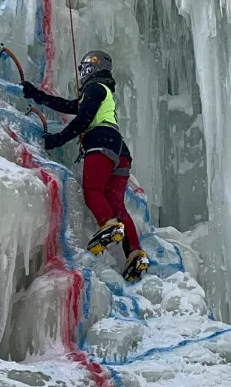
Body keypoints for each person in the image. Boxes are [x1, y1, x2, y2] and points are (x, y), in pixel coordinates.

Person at [21, 51, 149, 282]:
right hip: (120, 152)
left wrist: (57, 139)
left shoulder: (96, 88)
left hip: (101, 142)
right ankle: (135, 254)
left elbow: (83, 120)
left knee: (92, 190)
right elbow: (69, 106)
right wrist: (38, 95)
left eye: (84, 68)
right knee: (117, 204)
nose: (82, 73)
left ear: (92, 68)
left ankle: (108, 224)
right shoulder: (101, 92)